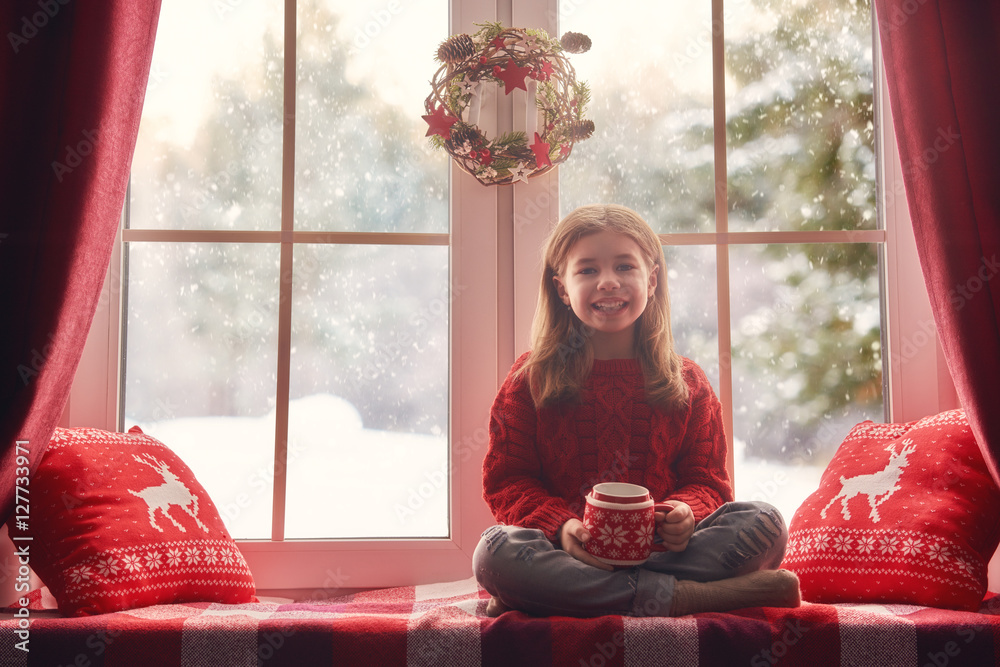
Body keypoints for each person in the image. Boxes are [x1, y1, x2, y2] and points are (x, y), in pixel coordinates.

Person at [473, 204, 801, 618]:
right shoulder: (529, 380)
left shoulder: (689, 382)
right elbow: (508, 480)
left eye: (625, 267)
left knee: (764, 522)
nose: (608, 282)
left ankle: (567, 594)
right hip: (570, 554)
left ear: (652, 279)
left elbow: (708, 482)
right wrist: (561, 526)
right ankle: (686, 596)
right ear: (561, 289)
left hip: (664, 553)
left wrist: (685, 513)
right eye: (588, 270)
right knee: (494, 553)